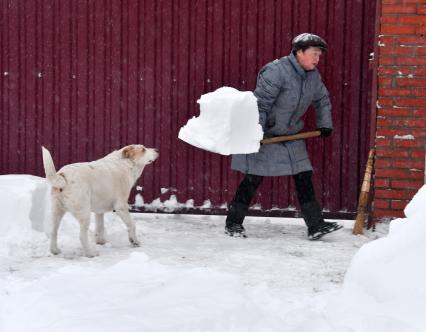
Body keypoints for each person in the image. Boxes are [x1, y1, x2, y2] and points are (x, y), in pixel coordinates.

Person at [226, 33, 342, 240]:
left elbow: (322, 100)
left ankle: (315, 225)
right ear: (299, 52)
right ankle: (233, 223)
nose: (317, 59)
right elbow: (260, 104)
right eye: (314, 54)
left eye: (319, 55)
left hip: (291, 136)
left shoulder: (313, 76)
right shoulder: (276, 72)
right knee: (252, 179)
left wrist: (325, 124)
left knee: (303, 177)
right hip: (266, 135)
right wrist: (256, 132)